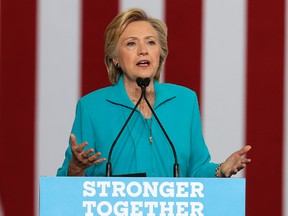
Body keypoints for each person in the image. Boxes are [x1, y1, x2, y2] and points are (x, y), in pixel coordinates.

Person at [57, 8, 251, 178]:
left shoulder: (184, 101)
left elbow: (196, 170)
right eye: (131, 44)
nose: (143, 51)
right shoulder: (92, 107)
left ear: (160, 53)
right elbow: (67, 183)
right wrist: (76, 168)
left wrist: (221, 170)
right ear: (115, 58)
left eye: (150, 42)